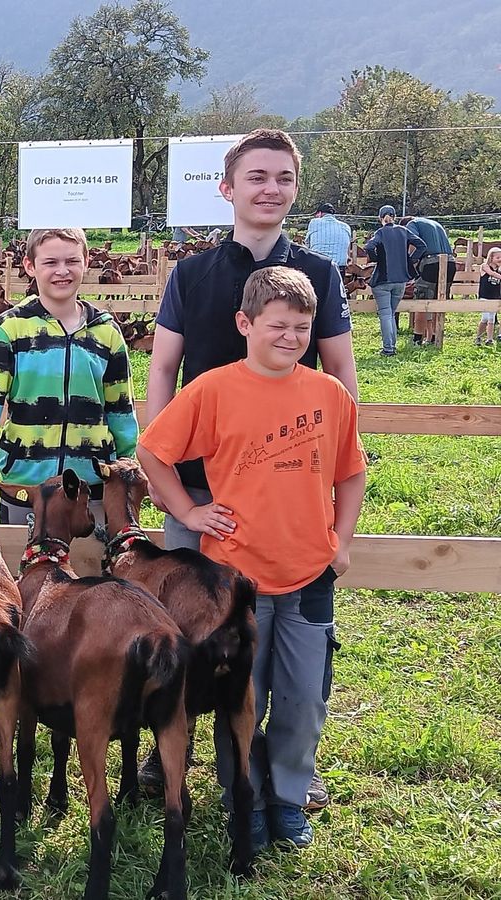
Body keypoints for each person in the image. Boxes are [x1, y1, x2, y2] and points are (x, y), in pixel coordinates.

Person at [143, 128, 356, 805]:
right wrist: (164, 472)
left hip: (282, 489)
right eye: (257, 176)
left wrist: (334, 468)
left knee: (296, 638)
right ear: (227, 188)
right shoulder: (192, 274)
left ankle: (294, 764)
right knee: (188, 623)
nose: (271, 188)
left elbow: (340, 371)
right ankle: (169, 745)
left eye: (283, 177)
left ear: (295, 188)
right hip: (201, 493)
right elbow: (163, 367)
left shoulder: (319, 275)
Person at [0, 227, 137, 527]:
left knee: (93, 558)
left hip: (92, 488)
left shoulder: (107, 332)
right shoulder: (10, 329)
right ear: (30, 266)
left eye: (71, 261)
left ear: (86, 262)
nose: (62, 271)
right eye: (50, 262)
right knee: (24, 557)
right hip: (25, 486)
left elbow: (121, 410)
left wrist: (125, 471)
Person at [364, 205, 425, 357]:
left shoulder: (380, 232)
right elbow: (421, 246)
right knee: (390, 313)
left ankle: (388, 349)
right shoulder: (404, 231)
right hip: (401, 280)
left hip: (383, 279)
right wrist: (410, 260)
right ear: (395, 217)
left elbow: (369, 246)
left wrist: (376, 258)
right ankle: (391, 346)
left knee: (385, 314)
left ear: (380, 218)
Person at [403, 213, 455, 345]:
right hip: (450, 262)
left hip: (430, 262)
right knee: (440, 300)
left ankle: (417, 338)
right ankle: (435, 336)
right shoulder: (436, 224)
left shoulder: (411, 225)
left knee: (422, 301)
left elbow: (413, 245)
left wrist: (410, 262)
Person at [305, 203, 353, 273]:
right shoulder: (346, 227)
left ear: (320, 213)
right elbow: (347, 249)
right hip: (340, 268)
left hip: (319, 266)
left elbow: (307, 244)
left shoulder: (314, 222)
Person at [476, 247, 501, 347]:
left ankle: (489, 339)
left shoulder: (499, 269)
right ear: (491, 258)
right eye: (498, 257)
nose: (500, 259)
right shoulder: (484, 266)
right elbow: (491, 273)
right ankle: (478, 337)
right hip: (484, 296)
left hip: (495, 297)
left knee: (492, 319)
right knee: (485, 318)